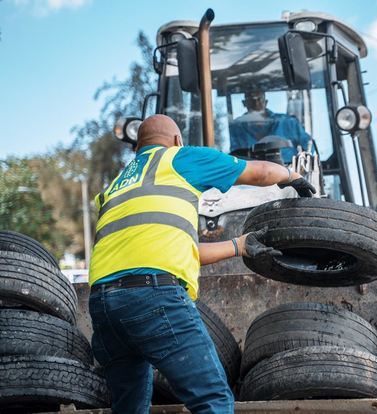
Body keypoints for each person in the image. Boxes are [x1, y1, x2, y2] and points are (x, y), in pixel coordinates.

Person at [88, 114, 316, 413]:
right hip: (154, 297)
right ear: (177, 141)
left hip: (104, 307)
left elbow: (174, 249)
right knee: (213, 400)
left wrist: (239, 246)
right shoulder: (179, 158)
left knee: (129, 407)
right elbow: (259, 173)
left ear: (137, 147)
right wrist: (292, 175)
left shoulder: (115, 186)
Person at [229, 90, 311, 162]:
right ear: (244, 103)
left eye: (259, 99)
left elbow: (308, 145)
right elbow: (235, 156)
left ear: (266, 102)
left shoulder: (288, 122)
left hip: (288, 173)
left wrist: (303, 162)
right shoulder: (236, 127)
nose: (256, 103)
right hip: (253, 175)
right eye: (251, 100)